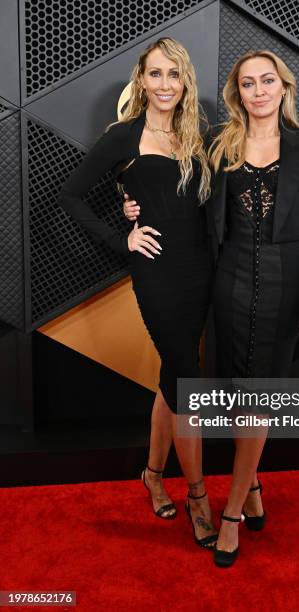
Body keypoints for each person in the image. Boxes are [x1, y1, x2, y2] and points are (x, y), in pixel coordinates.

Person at [123, 49, 299, 567]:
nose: (258, 91)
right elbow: (173, 188)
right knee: (232, 395)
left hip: (287, 288)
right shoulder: (220, 144)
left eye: (268, 81)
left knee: (259, 401)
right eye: (247, 83)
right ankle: (253, 482)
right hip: (226, 284)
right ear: (237, 93)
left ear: (284, 87)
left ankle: (234, 514)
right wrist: (129, 205)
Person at [57, 37, 218, 549]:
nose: (165, 84)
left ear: (184, 80)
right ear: (141, 80)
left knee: (174, 374)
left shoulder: (200, 133)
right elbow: (70, 195)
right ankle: (197, 495)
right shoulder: (123, 136)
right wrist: (120, 235)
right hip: (156, 271)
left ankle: (152, 473)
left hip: (202, 270)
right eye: (156, 74)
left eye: (174, 74)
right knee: (187, 380)